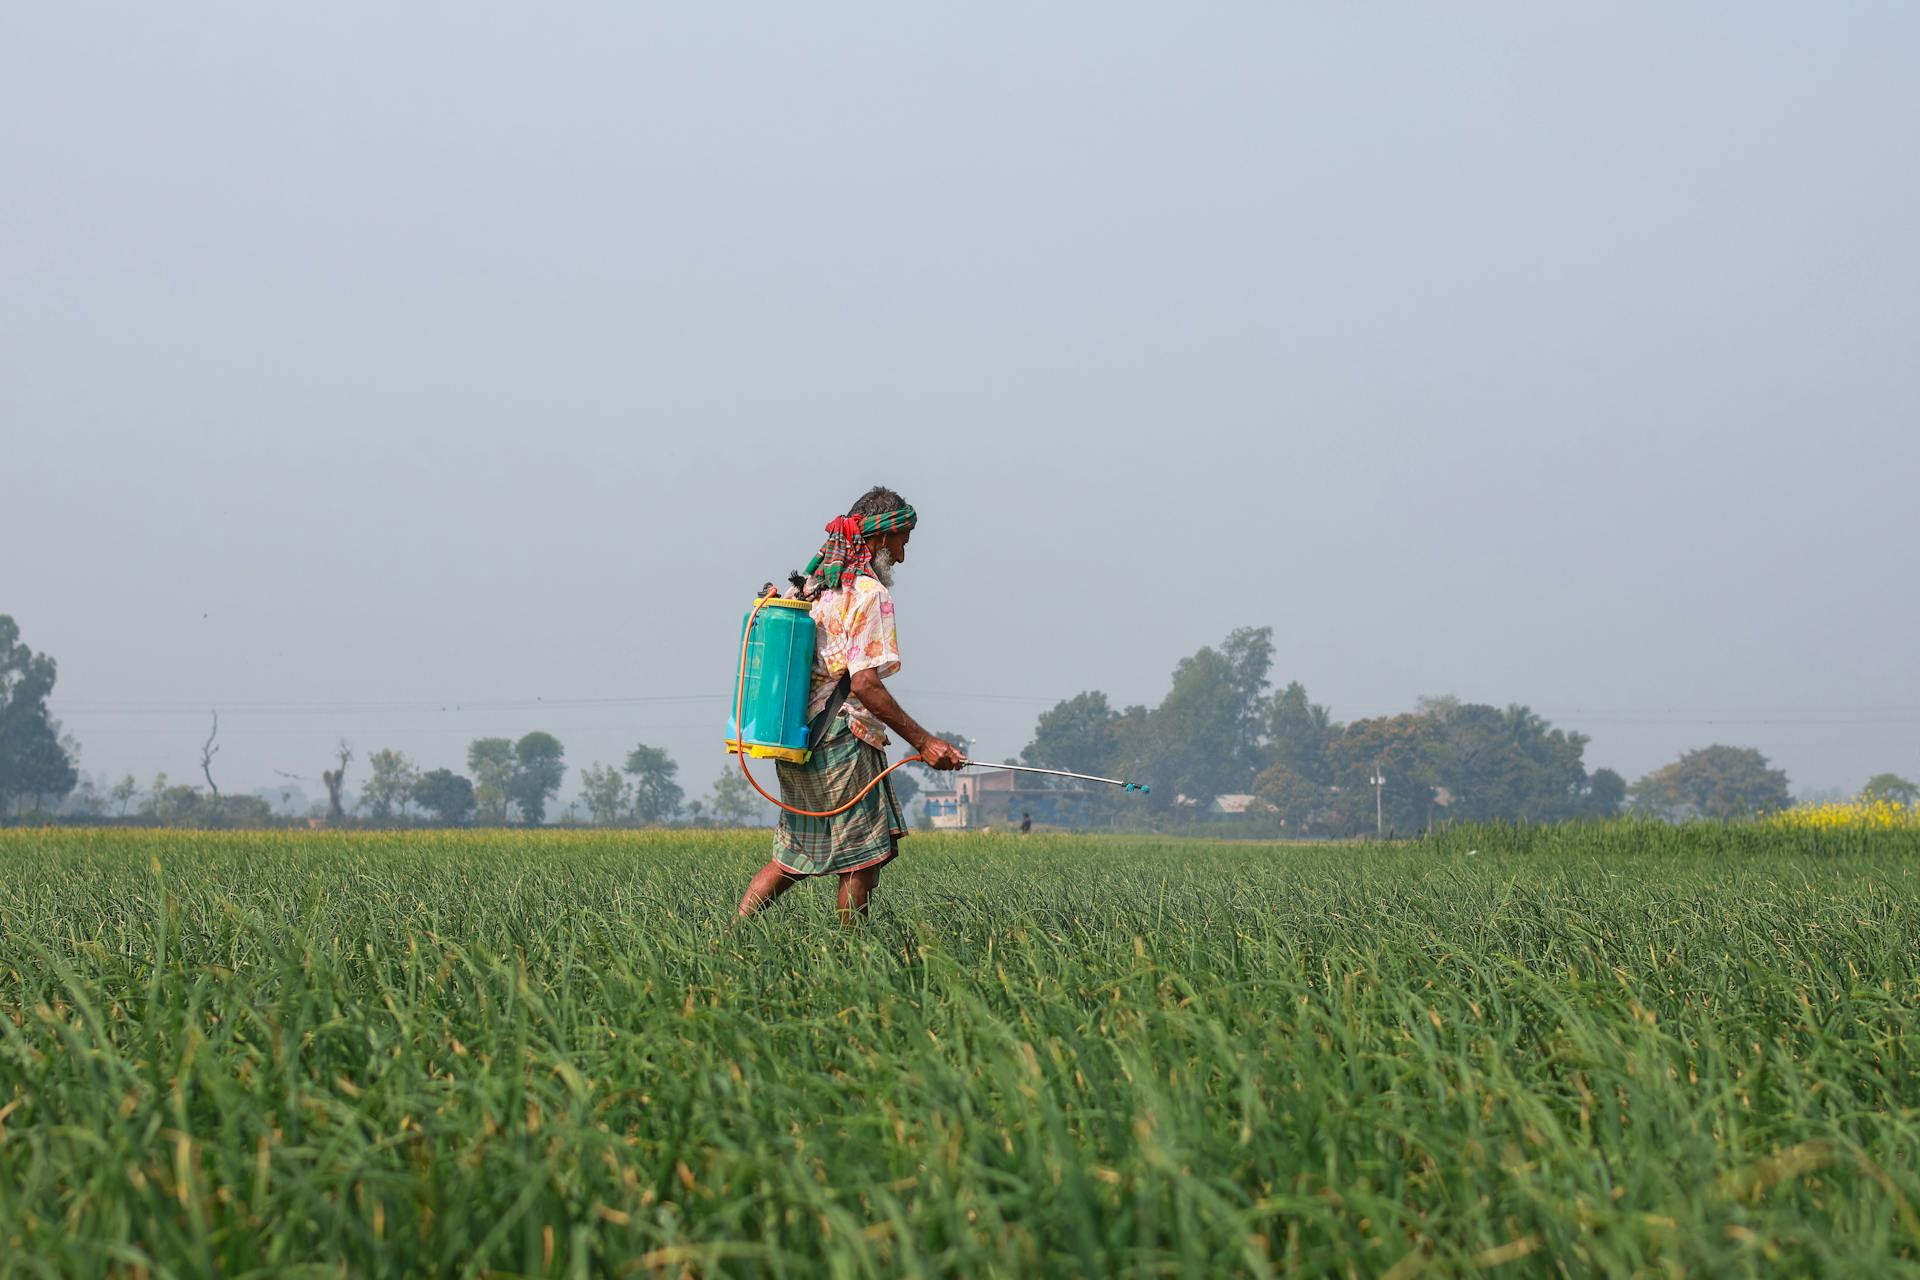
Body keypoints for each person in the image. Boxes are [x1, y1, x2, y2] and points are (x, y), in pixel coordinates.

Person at [737, 486, 965, 922]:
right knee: (860, 860)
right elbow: (864, 685)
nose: (901, 555)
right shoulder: (869, 595)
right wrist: (925, 741)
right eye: (900, 541)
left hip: (798, 739)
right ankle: (853, 962)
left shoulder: (813, 589)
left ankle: (728, 938)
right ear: (879, 540)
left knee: (792, 857)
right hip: (844, 739)